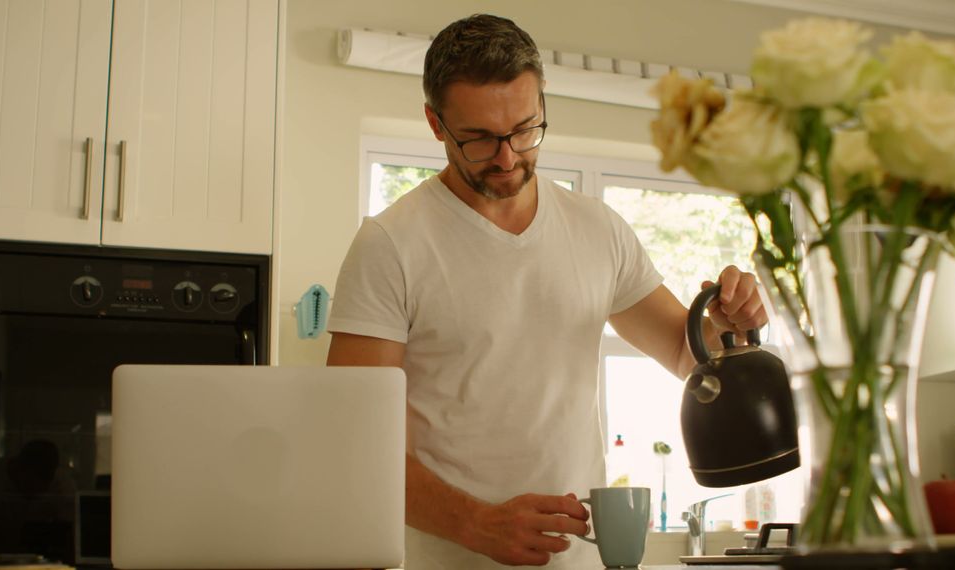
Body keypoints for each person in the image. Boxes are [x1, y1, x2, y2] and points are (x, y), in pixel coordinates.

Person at [326, 14, 768, 569]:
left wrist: (730, 321)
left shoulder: (599, 229)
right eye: (480, 138)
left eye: (524, 130)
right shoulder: (390, 244)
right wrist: (476, 524)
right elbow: (353, 438)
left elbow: (688, 355)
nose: (508, 157)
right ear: (436, 124)